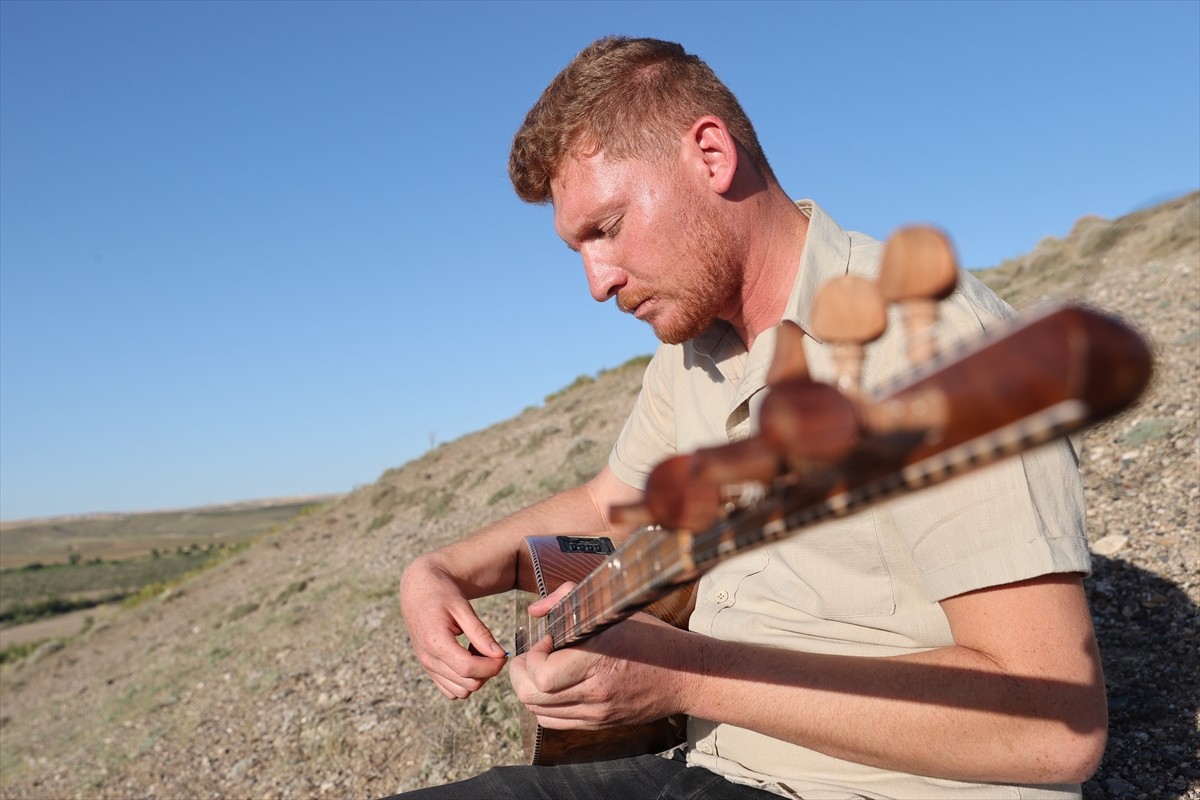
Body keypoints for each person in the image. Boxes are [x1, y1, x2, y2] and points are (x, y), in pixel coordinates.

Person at [395, 36, 1107, 800]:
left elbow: (1056, 728)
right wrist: (438, 571)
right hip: (718, 766)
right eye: (578, 248)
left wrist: (687, 677)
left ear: (711, 155)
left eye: (607, 228)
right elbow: (608, 507)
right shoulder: (695, 351)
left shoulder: (934, 346)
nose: (597, 283)